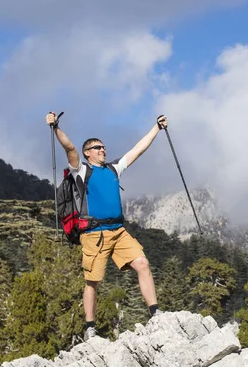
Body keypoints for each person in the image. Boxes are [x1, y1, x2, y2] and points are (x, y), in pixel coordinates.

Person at [45, 111, 167, 341]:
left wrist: (157, 128)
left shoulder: (113, 169)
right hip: (93, 234)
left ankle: (155, 313)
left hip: (119, 232)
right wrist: (56, 128)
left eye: (103, 147)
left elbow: (138, 150)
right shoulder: (81, 170)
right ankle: (90, 328)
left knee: (142, 263)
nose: (103, 150)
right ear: (87, 153)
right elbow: (70, 148)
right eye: (98, 147)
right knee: (93, 281)